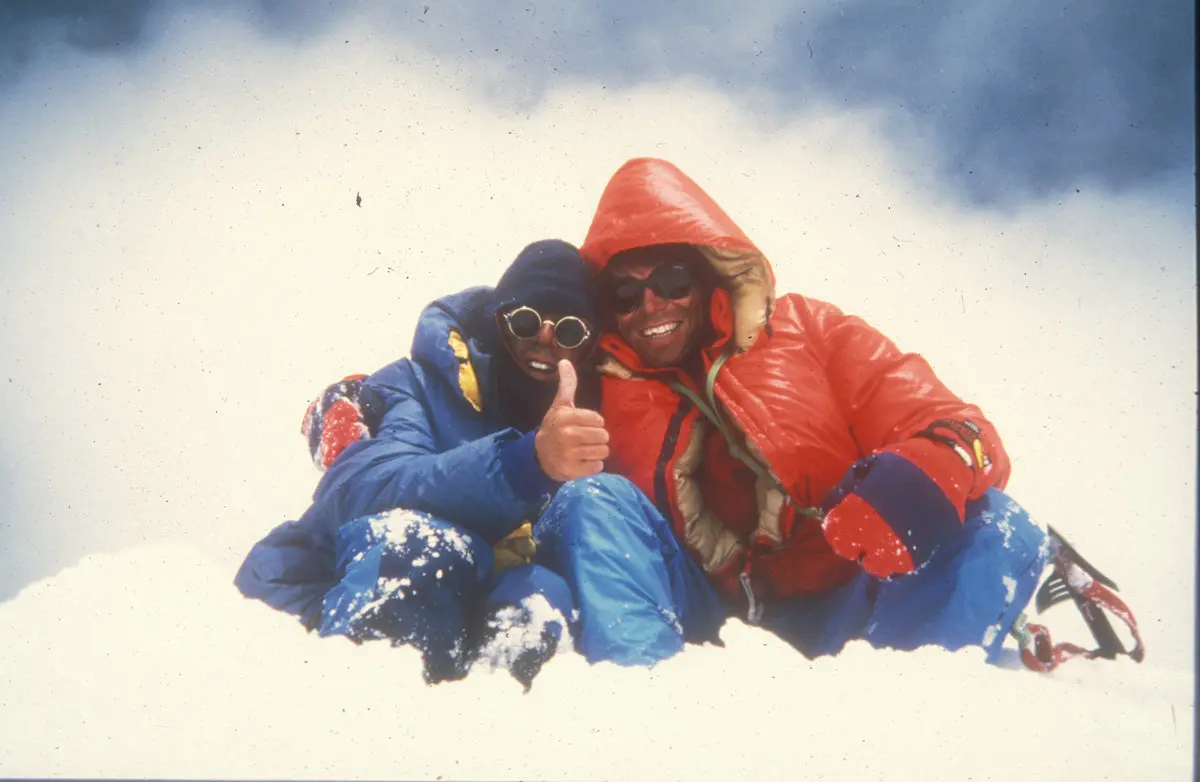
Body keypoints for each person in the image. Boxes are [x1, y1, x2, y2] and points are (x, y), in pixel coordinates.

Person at [575, 157, 1143, 669]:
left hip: (847, 610)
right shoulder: (590, 383)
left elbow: (963, 430)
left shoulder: (809, 332)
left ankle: (901, 720)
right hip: (702, 619)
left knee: (998, 523)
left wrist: (922, 474)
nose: (650, 306)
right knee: (592, 501)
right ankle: (651, 708)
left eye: (671, 282)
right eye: (625, 295)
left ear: (708, 275)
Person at [234, 239, 725, 687]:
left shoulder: (608, 413)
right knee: (420, 547)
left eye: (570, 330)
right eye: (527, 321)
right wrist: (525, 463)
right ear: (498, 318)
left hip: (502, 595)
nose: (545, 342)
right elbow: (362, 489)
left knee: (541, 596)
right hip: (380, 578)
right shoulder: (417, 386)